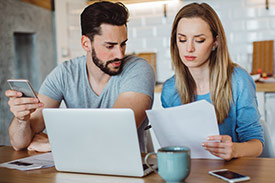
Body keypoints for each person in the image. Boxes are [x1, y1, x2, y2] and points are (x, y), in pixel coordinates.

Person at [6, 1, 155, 153]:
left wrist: (55, 144)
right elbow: (19, 143)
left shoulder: (138, 69)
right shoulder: (65, 73)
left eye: (123, 44)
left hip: (127, 170)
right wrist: (21, 120)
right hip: (75, 168)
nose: (120, 54)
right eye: (109, 46)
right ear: (86, 44)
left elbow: (117, 132)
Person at [161, 2, 263, 160]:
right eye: (182, 40)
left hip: (233, 171)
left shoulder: (238, 81)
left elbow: (256, 145)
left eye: (199, 40)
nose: (189, 48)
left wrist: (234, 150)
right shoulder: (170, 90)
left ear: (215, 42)